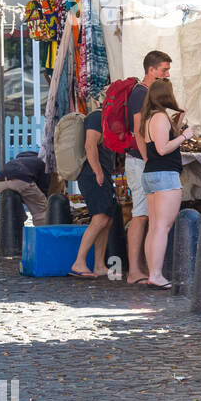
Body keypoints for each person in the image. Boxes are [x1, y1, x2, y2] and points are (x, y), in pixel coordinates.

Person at [139, 79, 193, 290]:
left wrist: (177, 126)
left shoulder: (149, 117)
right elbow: (163, 148)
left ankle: (153, 271)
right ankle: (156, 274)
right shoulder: (160, 117)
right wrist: (185, 136)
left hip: (152, 174)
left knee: (154, 227)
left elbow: (157, 144)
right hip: (165, 176)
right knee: (162, 227)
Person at [125, 51, 172, 286]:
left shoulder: (147, 94)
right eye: (164, 69)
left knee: (149, 217)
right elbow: (137, 130)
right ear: (151, 70)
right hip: (138, 161)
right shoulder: (140, 93)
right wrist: (147, 160)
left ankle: (145, 268)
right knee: (140, 215)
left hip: (142, 161)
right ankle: (134, 270)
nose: (167, 74)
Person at [70, 91, 116, 278]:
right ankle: (79, 262)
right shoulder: (97, 117)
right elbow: (90, 146)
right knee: (100, 219)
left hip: (100, 174)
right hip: (93, 175)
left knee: (107, 219)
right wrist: (98, 172)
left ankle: (99, 264)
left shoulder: (104, 118)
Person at [0, 145, 49, 224]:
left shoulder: (14, 161)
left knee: (12, 204)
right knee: (41, 212)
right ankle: (43, 233)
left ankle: (19, 219)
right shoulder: (40, 162)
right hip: (21, 180)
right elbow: (44, 186)